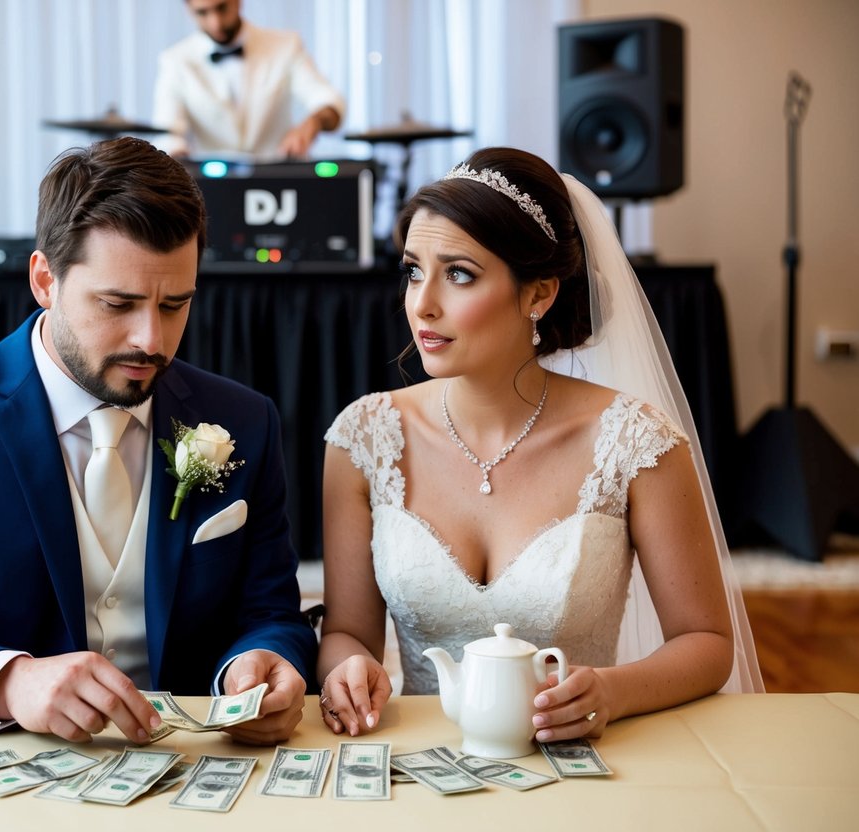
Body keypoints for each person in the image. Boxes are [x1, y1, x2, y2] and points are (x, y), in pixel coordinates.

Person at [0, 137, 315, 745]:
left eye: (175, 305)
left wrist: (261, 661)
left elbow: (273, 614)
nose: (151, 338)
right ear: (45, 279)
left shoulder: (245, 420)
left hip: (200, 769)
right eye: (117, 303)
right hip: (6, 770)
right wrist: (5, 682)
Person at [316, 147, 763, 741]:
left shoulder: (637, 442)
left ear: (539, 295)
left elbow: (706, 643)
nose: (421, 303)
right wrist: (346, 667)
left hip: (583, 758)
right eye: (413, 270)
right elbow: (347, 631)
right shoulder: (362, 438)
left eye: (459, 273)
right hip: (422, 764)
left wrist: (613, 691)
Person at [153, 0, 344, 160]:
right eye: (202, 13)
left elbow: (328, 100)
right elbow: (168, 132)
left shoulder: (285, 45)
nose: (215, 23)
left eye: (222, 8)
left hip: (279, 180)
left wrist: (313, 122)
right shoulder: (174, 61)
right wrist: (178, 157)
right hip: (209, 190)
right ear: (189, 10)